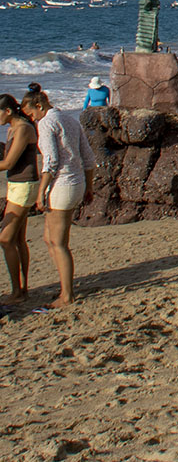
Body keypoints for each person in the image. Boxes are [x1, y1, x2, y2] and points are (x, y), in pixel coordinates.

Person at [22, 89, 95, 308]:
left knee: (59, 243)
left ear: (39, 106)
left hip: (61, 186)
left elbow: (51, 161)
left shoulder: (46, 123)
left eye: (31, 114)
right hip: (76, 183)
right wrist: (89, 187)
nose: (31, 119)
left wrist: (41, 192)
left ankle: (67, 294)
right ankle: (64, 284)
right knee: (49, 238)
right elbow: (88, 157)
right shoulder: (69, 119)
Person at [0, 94, 38, 303]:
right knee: (18, 239)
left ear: (7, 111)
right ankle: (22, 289)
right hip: (18, 185)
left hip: (24, 186)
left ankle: (17, 291)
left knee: (5, 239)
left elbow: (8, 163)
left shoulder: (23, 128)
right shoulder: (14, 127)